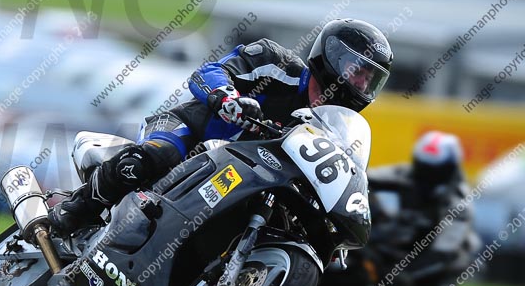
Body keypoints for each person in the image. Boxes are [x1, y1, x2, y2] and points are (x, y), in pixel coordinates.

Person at [49, 18, 394, 233]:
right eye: (356, 70)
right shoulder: (276, 63)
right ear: (331, 56)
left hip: (243, 177)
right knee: (156, 156)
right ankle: (76, 208)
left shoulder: (335, 127)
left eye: (370, 79)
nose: (361, 84)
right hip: (193, 131)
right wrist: (226, 97)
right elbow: (208, 73)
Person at [366, 131, 480, 286]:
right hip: (405, 238)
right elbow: (365, 177)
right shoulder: (406, 174)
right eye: (423, 168)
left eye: (434, 171)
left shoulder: (459, 202)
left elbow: (443, 253)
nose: (426, 176)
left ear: (449, 168)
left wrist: (403, 273)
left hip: (444, 258)